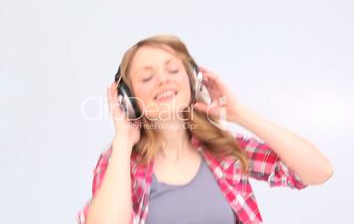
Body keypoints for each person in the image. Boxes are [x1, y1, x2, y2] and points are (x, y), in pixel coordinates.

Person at [77, 35, 333, 224]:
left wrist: (238, 114)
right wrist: (123, 139)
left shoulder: (225, 150)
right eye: (147, 77)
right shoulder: (120, 163)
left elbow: (319, 171)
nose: (164, 79)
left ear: (192, 80)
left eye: (173, 69)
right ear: (128, 98)